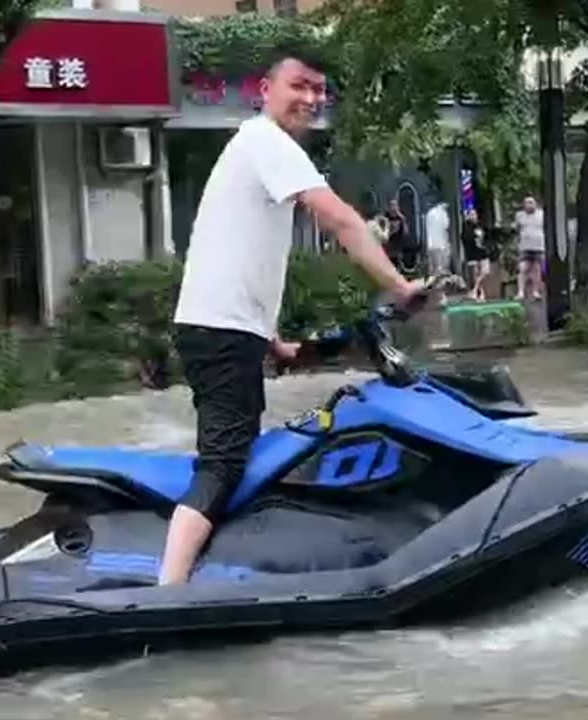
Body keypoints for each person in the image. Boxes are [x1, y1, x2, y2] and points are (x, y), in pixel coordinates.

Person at [161, 49, 423, 586]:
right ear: (266, 89)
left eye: (320, 90)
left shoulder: (259, 147)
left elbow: (239, 252)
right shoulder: (265, 141)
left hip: (231, 329)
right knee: (225, 461)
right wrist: (399, 286)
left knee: (240, 448)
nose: (311, 99)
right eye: (299, 86)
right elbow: (340, 220)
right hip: (220, 331)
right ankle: (168, 590)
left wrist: (274, 342)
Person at [513, 196, 545, 301]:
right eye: (527, 203)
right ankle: (521, 292)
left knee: (536, 269)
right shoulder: (520, 215)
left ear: (535, 204)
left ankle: (536, 292)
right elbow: (516, 229)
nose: (529, 205)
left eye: (531, 202)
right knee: (523, 268)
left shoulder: (541, 214)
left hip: (538, 245)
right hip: (525, 246)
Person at [460, 209, 490, 301]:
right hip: (472, 254)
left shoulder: (480, 226)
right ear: (468, 216)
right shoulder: (466, 227)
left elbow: (486, 237)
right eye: (471, 214)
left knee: (485, 272)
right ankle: (480, 294)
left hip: (483, 252)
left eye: (475, 214)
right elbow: (466, 239)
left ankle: (474, 291)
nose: (474, 216)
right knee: (476, 275)